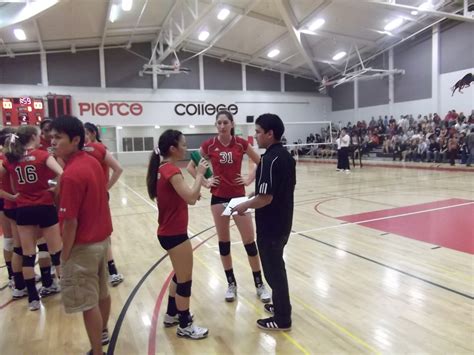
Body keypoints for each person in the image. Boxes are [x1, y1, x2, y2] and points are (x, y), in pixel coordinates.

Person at [186, 110, 271, 303]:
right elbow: (191, 167)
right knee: (224, 243)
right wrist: (206, 183)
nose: (222, 126)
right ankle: (231, 284)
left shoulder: (241, 143)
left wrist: (249, 178)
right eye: (219, 123)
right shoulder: (209, 145)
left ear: (232, 124)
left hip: (239, 198)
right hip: (218, 199)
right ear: (216, 125)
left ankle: (259, 284)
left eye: (225, 122)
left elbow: (261, 161)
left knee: (249, 241)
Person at [51, 116, 112, 355]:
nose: (53, 142)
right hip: (101, 242)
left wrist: (64, 256)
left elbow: (70, 222)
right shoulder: (92, 162)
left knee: (88, 303)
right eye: (52, 137)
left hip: (82, 247)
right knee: (102, 293)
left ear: (75, 140)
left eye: (58, 138)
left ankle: (97, 351)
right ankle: (103, 332)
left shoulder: (72, 174)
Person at [233, 113, 295, 331]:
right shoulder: (286, 156)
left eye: (258, 132)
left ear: (270, 134)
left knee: (273, 271)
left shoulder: (268, 159)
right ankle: (280, 306)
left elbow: (266, 198)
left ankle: (283, 318)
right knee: (277, 267)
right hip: (284, 223)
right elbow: (274, 190)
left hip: (271, 226)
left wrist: (244, 205)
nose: (255, 136)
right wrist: (255, 193)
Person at [146, 129, 209, 339]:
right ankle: (184, 325)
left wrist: (191, 192)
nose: (185, 147)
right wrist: (200, 174)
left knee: (178, 273)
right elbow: (190, 197)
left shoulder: (163, 169)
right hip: (174, 234)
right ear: (172, 148)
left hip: (168, 231)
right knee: (185, 280)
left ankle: (172, 314)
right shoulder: (171, 170)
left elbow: (183, 196)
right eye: (183, 144)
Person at [1, 126, 63, 311]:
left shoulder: (12, 158)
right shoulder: (43, 155)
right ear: (34, 137)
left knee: (28, 254)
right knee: (56, 252)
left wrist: (11, 196)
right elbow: (63, 174)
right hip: (44, 206)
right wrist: (54, 190)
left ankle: (33, 299)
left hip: (23, 209)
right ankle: (66, 292)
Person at [84, 122, 124, 286]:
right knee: (95, 233)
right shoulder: (81, 151)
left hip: (95, 197)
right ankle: (103, 269)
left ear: (92, 134)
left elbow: (118, 169)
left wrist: (105, 188)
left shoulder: (98, 148)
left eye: (86, 133)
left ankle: (109, 268)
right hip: (89, 197)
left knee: (100, 232)